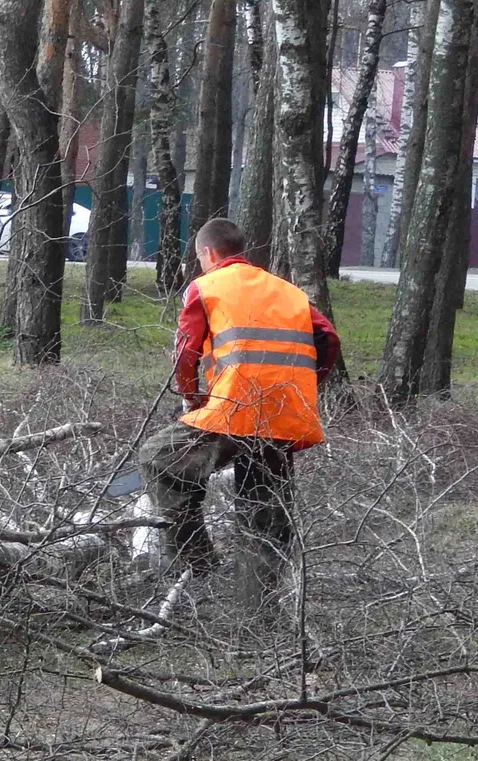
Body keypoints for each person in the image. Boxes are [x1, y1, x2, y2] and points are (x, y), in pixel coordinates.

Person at [140, 216, 342, 582]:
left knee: (160, 459)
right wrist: (301, 388)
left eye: (201, 259)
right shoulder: (288, 291)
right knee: (264, 511)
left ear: (208, 252)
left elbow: (185, 353)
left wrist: (190, 400)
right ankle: (258, 614)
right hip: (284, 413)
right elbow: (328, 337)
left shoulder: (206, 286)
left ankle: (196, 570)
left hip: (235, 409)